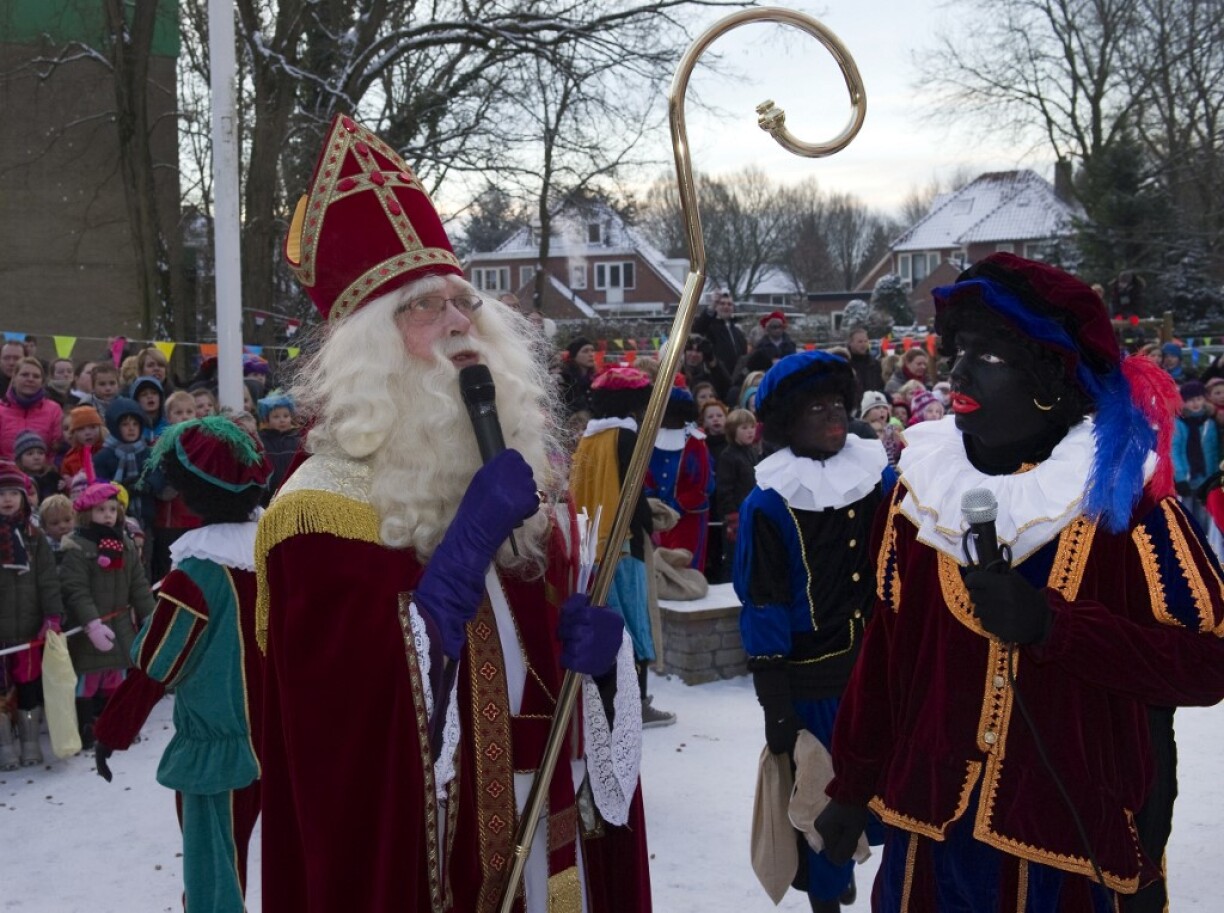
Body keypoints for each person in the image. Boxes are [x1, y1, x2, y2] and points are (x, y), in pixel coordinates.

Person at [257, 113, 650, 912]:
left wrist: (605, 667)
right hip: (436, 868)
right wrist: (462, 554)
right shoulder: (318, 510)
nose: (461, 322)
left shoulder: (518, 481)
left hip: (550, 845)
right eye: (425, 306)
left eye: (464, 300)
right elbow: (344, 744)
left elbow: (547, 675)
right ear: (368, 348)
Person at [814, 253, 1224, 912]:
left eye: (989, 356)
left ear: (1050, 381)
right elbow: (887, 654)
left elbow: (1208, 662)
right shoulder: (918, 494)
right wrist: (852, 784)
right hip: (930, 838)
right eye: (958, 351)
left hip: (1067, 850)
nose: (958, 372)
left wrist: (1055, 628)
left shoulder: (1124, 502)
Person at [733, 352, 892, 912]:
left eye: (837, 404)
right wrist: (774, 699)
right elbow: (764, 600)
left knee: (900, 802)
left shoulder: (880, 479)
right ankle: (827, 896)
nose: (833, 415)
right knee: (825, 808)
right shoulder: (768, 503)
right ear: (788, 421)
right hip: (815, 683)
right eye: (816, 407)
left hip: (884, 670)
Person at [93, 415, 272, 913]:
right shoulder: (276, 553)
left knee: (214, 866)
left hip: (221, 746)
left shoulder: (197, 573)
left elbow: (156, 663)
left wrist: (112, 730)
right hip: (280, 734)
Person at [570, 364, 674, 727]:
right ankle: (635, 704)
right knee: (635, 624)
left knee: (607, 621)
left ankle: (608, 701)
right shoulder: (627, 437)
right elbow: (633, 494)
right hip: (623, 543)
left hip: (591, 543)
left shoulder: (588, 438)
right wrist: (650, 522)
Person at [59, 456, 156, 749]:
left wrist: (151, 617)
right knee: (89, 681)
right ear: (87, 513)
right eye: (101, 510)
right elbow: (76, 590)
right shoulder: (78, 546)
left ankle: (115, 726)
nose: (108, 515)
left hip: (120, 623)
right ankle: (88, 728)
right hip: (91, 627)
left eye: (113, 509)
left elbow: (138, 583)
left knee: (117, 678)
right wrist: (91, 624)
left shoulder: (125, 543)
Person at [0, 459, 64, 769]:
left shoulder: (35, 536)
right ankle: (5, 745)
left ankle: (29, 742)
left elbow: (48, 580)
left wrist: (53, 616)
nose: (7, 499)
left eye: (14, 493)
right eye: (1, 494)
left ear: (24, 498)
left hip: (28, 628)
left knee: (27, 685)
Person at [646, 382, 714, 572]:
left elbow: (702, 486)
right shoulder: (653, 440)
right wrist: (655, 507)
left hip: (688, 519)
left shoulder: (695, 443)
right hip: (659, 518)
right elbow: (647, 477)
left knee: (684, 567)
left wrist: (674, 509)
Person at [1172, 379, 1218, 531]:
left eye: (1198, 398)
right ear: (1183, 402)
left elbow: (1213, 451)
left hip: (1205, 478)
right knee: (1186, 516)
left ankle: (1203, 541)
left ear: (1204, 399)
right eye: (1190, 400)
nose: (1195, 403)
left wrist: (1214, 476)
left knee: (1204, 517)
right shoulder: (1179, 423)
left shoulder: (1209, 423)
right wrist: (1180, 478)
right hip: (1187, 477)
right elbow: (1174, 451)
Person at [715, 408, 759, 557]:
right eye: (744, 428)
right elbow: (724, 489)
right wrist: (732, 516)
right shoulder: (728, 456)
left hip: (752, 512)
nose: (750, 431)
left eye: (752, 427)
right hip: (737, 517)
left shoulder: (752, 451)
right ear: (733, 430)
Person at [0, 356, 64, 460]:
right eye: (25, 375)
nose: (30, 379)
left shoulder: (54, 410)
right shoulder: (1, 409)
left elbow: (56, 449)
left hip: (42, 468)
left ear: (42, 381)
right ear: (14, 378)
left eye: (36, 376)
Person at [694, 290, 749, 385]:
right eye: (722, 304)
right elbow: (698, 328)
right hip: (716, 378)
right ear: (716, 306)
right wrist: (712, 306)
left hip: (737, 380)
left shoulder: (738, 332)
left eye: (729, 304)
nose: (726, 307)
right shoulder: (710, 327)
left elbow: (744, 355)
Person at [257, 391, 300, 500]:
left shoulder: (297, 438)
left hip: (294, 488)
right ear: (267, 420)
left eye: (286, 416)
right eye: (276, 417)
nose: (282, 420)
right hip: (270, 491)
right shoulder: (262, 440)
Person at [59, 405, 105, 480]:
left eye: (93, 427)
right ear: (74, 433)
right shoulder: (69, 460)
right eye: (81, 429)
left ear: (100, 428)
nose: (87, 433)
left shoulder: (109, 452)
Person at [13, 430, 61, 503]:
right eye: (30, 454)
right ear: (19, 459)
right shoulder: (17, 480)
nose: (36, 457)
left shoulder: (53, 476)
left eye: (40, 453)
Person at [559, 336, 597, 417]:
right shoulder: (565, 381)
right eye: (585, 351)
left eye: (592, 350)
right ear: (574, 356)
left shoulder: (596, 381)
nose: (591, 354)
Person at [845, 326, 884, 397]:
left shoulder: (875, 364)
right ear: (850, 343)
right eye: (860, 342)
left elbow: (881, 386)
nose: (863, 344)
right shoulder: (845, 364)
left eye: (866, 341)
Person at [132, 376, 168, 442]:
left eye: (154, 393)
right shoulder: (132, 428)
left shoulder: (170, 425)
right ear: (136, 401)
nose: (150, 396)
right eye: (144, 394)